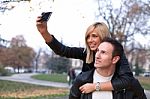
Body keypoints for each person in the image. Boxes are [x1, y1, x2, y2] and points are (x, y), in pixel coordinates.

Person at [36, 17, 133, 92]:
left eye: (94, 36)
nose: (90, 40)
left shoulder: (116, 54)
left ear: (103, 37)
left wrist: (95, 86)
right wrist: (44, 32)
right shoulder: (86, 53)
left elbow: (127, 80)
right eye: (88, 37)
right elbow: (62, 50)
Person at [69, 37, 147, 99]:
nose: (97, 56)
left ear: (115, 59)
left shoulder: (131, 84)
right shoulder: (82, 80)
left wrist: (95, 87)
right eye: (97, 51)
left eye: (103, 52)